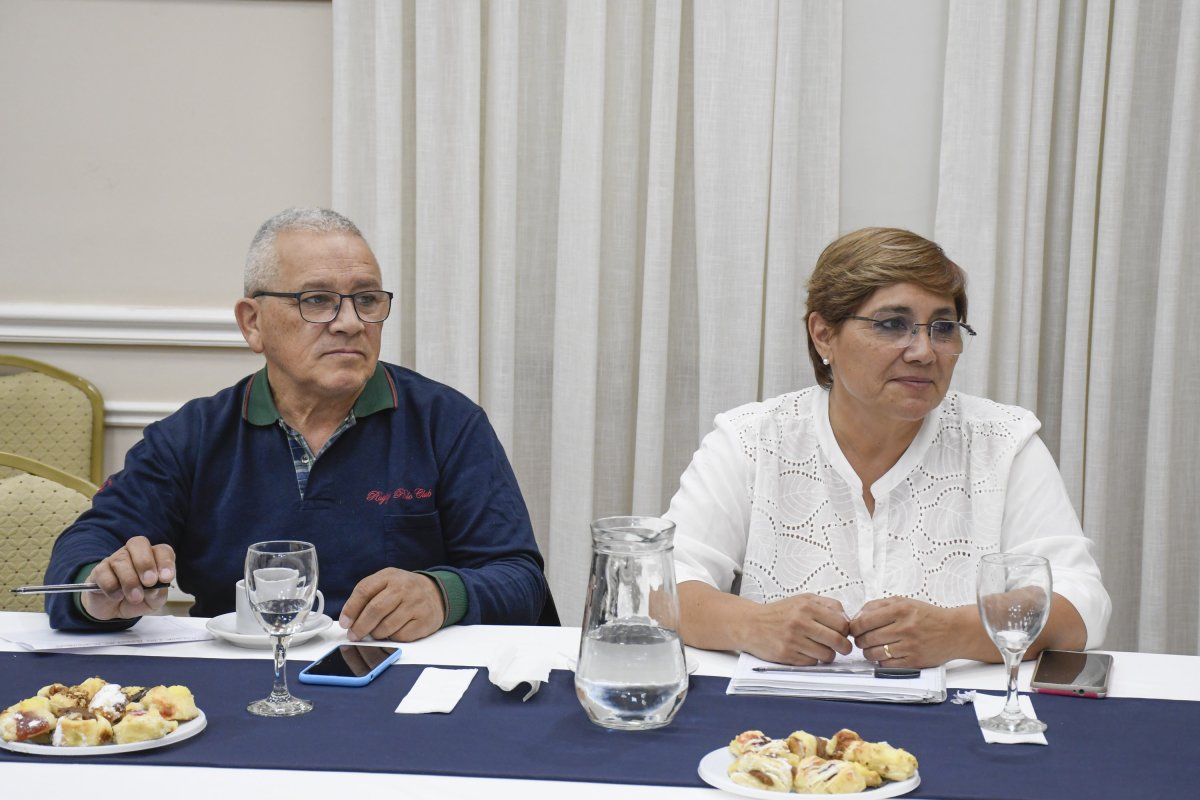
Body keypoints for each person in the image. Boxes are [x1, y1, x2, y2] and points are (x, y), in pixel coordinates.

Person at [44, 208, 550, 641]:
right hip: (236, 682)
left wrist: (443, 594)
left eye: (367, 299)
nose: (350, 322)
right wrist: (99, 589)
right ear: (253, 323)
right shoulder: (193, 436)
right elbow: (86, 548)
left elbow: (520, 578)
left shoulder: (447, 423)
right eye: (317, 300)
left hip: (397, 678)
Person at [664, 228, 1110, 669]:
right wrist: (752, 624)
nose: (924, 352)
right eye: (893, 324)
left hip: (961, 709)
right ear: (823, 334)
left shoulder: (1002, 442)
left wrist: (957, 632)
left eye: (943, 328)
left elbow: (1081, 602)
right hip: (778, 714)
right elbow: (660, 585)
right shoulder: (752, 439)